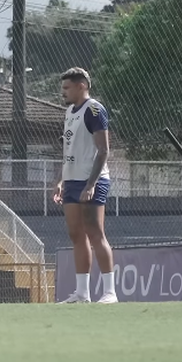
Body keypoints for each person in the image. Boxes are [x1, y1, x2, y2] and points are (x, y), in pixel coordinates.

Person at [53, 67, 117, 304]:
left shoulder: (94, 110)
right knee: (76, 234)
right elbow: (68, 149)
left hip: (91, 179)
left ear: (82, 86)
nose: (63, 92)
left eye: (67, 87)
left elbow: (103, 150)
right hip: (71, 181)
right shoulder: (70, 111)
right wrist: (60, 180)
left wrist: (91, 184)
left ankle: (110, 292)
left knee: (95, 231)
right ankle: (82, 293)